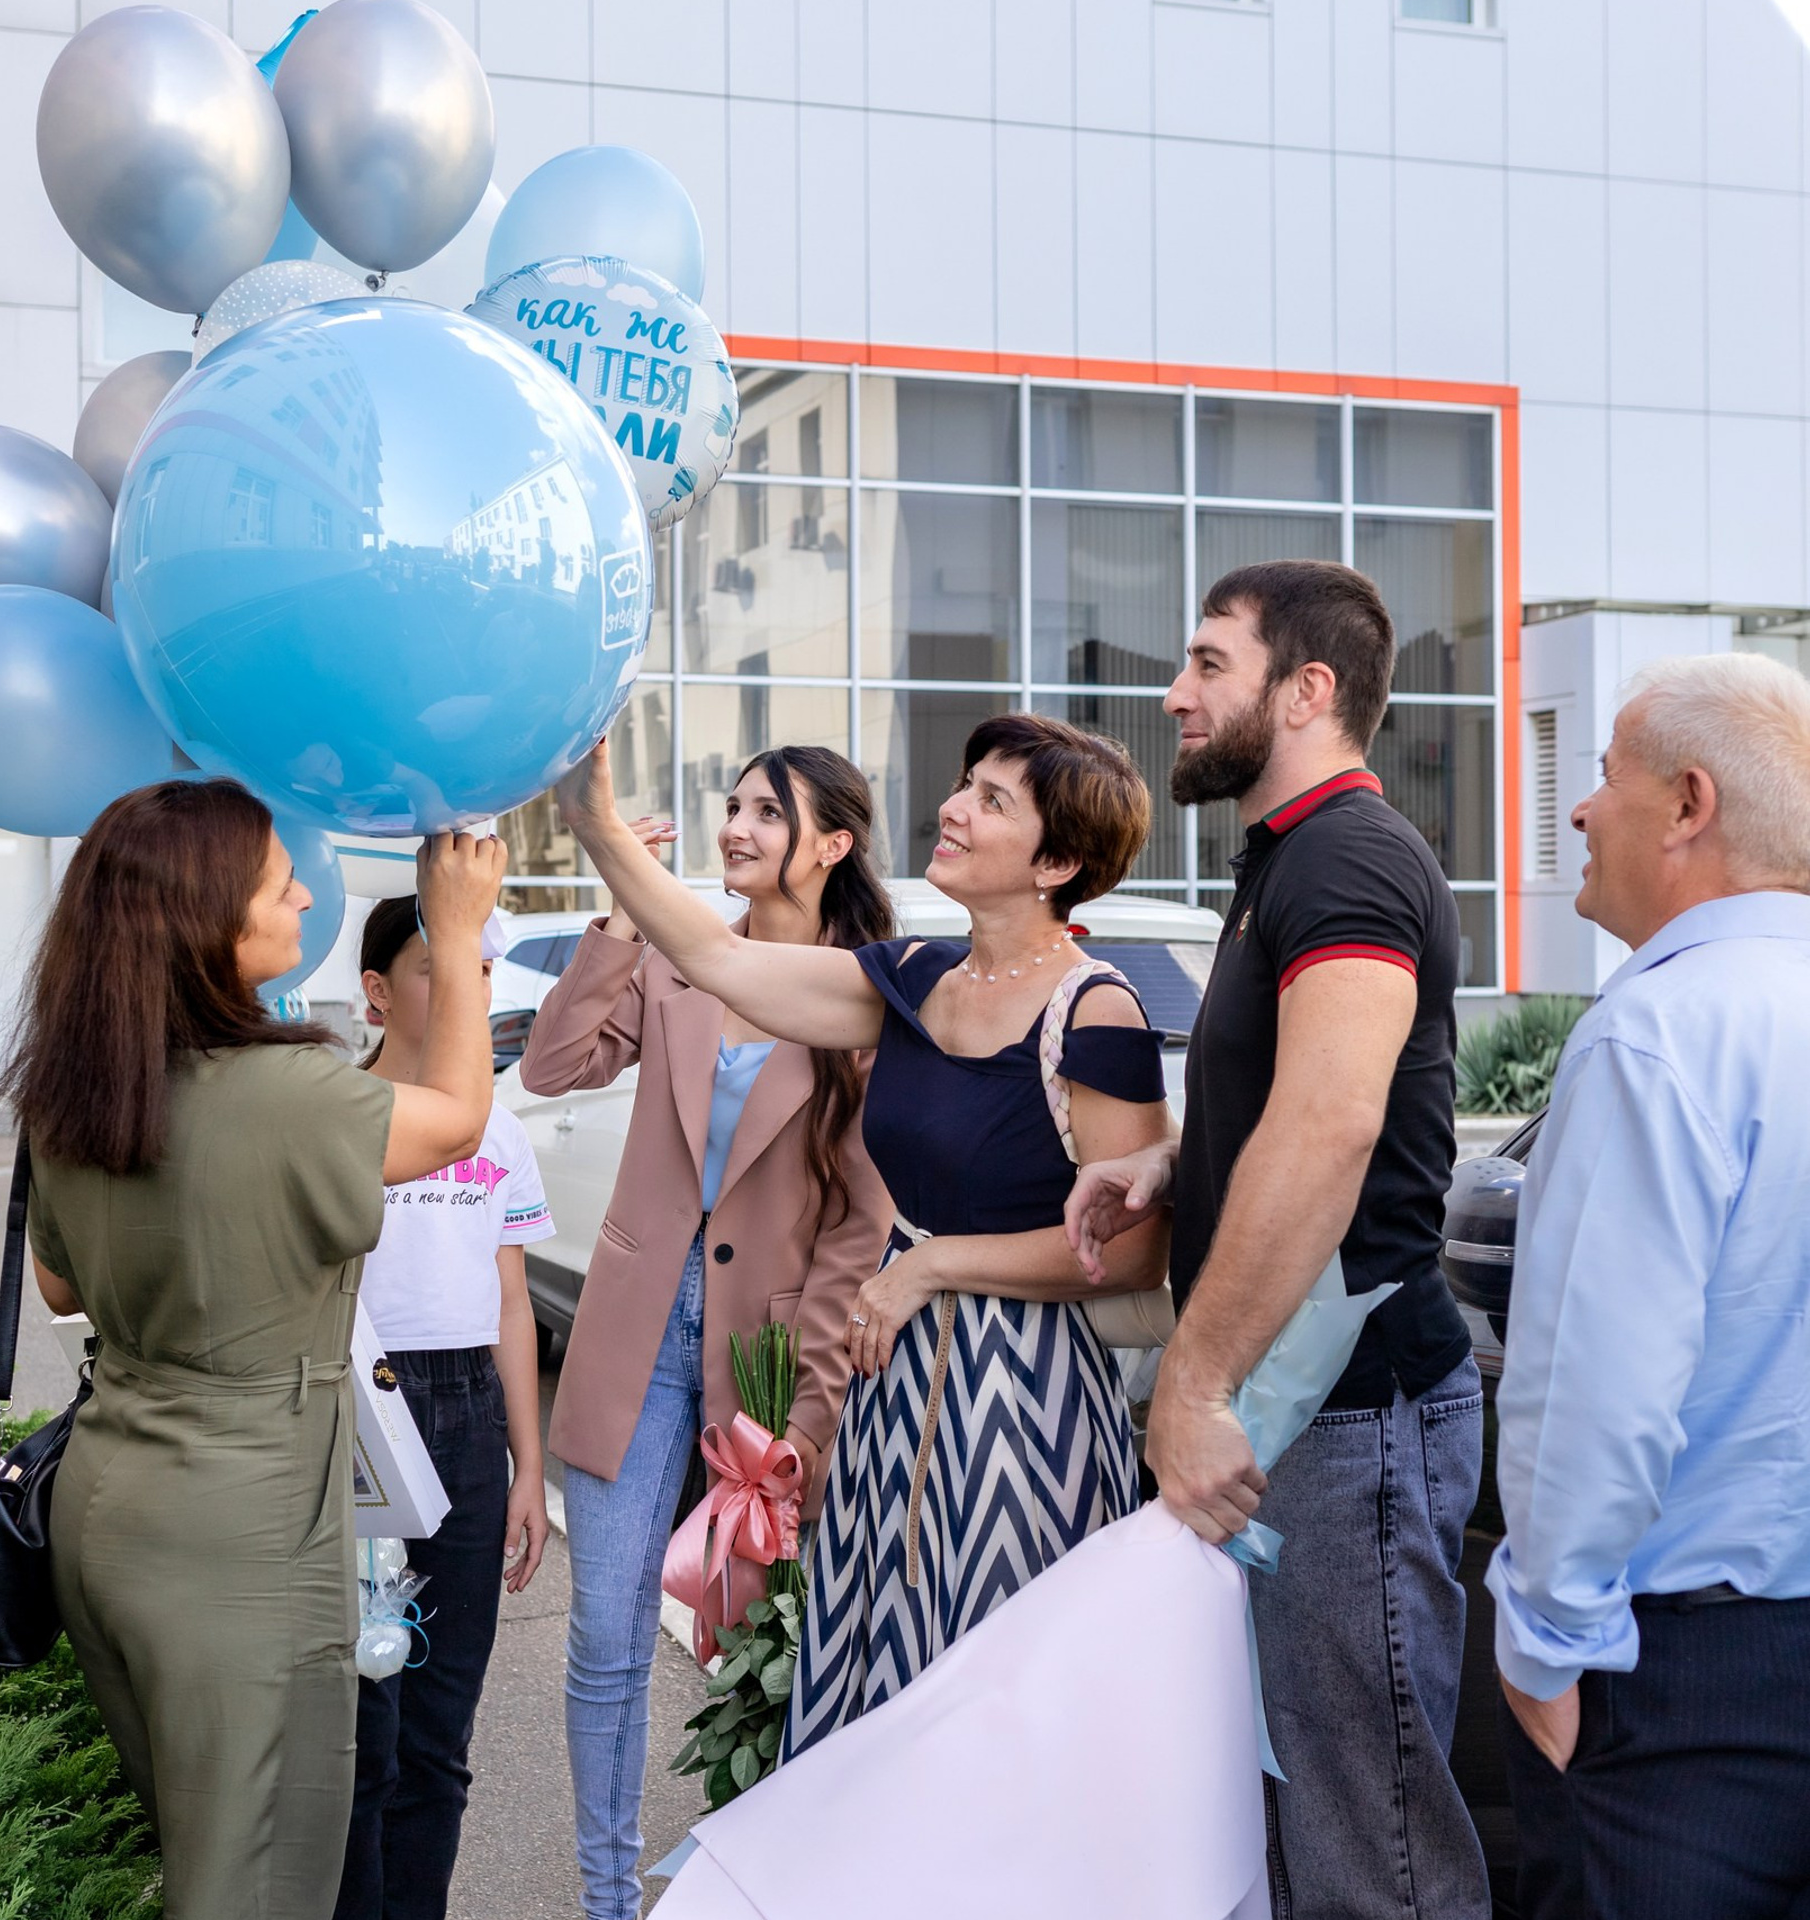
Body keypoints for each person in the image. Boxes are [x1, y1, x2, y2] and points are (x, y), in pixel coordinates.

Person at [553, 714, 1174, 1770]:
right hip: (893, 1391)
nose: (953, 807)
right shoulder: (915, 979)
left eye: (992, 800)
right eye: (964, 782)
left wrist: (928, 1262)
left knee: (990, 1704)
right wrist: (596, 824)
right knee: (868, 1692)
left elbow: (1128, 1255)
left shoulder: (1098, 1009)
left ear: (1059, 863)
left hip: (1015, 1406)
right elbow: (714, 957)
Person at [1066, 560, 1488, 1918]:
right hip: (1310, 1427)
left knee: (1378, 1858)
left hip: (1347, 1416)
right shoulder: (1290, 859)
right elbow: (1296, 1100)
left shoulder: (1352, 857)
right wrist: (1172, 1158)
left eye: (1206, 664)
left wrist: (1190, 1384)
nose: (1174, 694)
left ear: (1306, 691)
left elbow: (1331, 1127)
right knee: (1302, 1840)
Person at [2, 780, 503, 1920]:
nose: (299, 891)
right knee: (258, 1881)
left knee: (198, 1851)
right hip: (242, 1531)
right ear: (209, 919)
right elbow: (460, 1119)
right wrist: (461, 934)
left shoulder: (78, 1086)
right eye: (277, 878)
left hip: (109, 1504)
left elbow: (62, 1286)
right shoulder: (287, 1093)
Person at [521, 746, 894, 1920]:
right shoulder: (679, 960)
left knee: (758, 1639)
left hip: (769, 1359)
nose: (733, 828)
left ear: (830, 843)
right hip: (635, 1330)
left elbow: (855, 1229)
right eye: (730, 806)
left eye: (764, 813)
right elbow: (552, 1061)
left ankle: (756, 1877)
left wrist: (812, 1406)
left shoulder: (863, 994)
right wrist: (624, 919)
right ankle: (607, 1896)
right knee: (606, 1627)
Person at [1487, 654, 1810, 1920]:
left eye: (1603, 775)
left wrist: (1546, 1649)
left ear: (1687, 805)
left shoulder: (1660, 1029)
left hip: (1684, 1694)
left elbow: (1595, 1387)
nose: (1577, 808)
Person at [334, 895, 555, 1920]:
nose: (463, 992)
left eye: (475, 972)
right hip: (358, 1427)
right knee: (358, 1736)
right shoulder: (333, 1116)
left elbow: (511, 1301)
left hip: (467, 1417)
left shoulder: (499, 1132)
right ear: (377, 992)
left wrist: (526, 1469)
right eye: (434, 971)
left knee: (437, 1737)